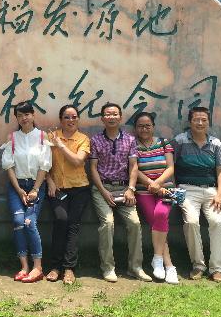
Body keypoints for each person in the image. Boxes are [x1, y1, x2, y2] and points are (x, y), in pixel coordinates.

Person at [89, 103, 151, 283]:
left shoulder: (130, 140)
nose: (111, 117)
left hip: (124, 189)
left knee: (135, 223)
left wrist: (131, 189)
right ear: (102, 118)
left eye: (115, 114)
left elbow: (134, 166)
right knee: (107, 223)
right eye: (108, 114)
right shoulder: (95, 140)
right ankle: (108, 267)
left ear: (120, 117)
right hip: (102, 188)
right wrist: (103, 191)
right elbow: (93, 169)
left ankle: (135, 267)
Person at [172, 106, 221, 283]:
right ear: (190, 122)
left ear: (208, 122)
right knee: (191, 222)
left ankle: (217, 269)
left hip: (211, 190)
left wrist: (220, 194)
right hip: (187, 189)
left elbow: (220, 171)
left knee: (217, 222)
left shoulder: (216, 143)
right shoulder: (180, 141)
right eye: (196, 119)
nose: (200, 123)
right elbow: (171, 166)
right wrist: (174, 189)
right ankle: (198, 265)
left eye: (204, 120)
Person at [1, 101, 52, 283]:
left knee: (29, 222)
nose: (24, 118)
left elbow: (44, 165)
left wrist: (35, 189)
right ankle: (24, 267)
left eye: (27, 114)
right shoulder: (13, 138)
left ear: (33, 115)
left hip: (36, 185)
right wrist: (19, 190)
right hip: (17, 185)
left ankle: (38, 267)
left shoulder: (42, 136)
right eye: (20, 115)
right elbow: (8, 166)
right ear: (16, 118)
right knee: (18, 221)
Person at [45, 105, 91, 285]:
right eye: (66, 117)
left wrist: (61, 145)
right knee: (60, 220)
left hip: (79, 188)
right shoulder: (51, 137)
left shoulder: (83, 139)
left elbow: (77, 161)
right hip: (57, 188)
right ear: (60, 119)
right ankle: (55, 266)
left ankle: (69, 268)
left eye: (74, 117)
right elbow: (42, 162)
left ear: (78, 119)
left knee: (73, 225)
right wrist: (49, 180)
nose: (70, 120)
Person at [133, 112, 178, 284]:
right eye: (140, 126)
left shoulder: (164, 143)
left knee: (160, 214)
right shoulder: (132, 145)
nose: (144, 129)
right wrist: (150, 184)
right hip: (144, 191)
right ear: (135, 128)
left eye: (147, 125)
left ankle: (158, 259)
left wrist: (158, 183)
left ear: (153, 126)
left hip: (165, 190)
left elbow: (170, 167)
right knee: (157, 223)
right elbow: (134, 170)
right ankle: (169, 266)